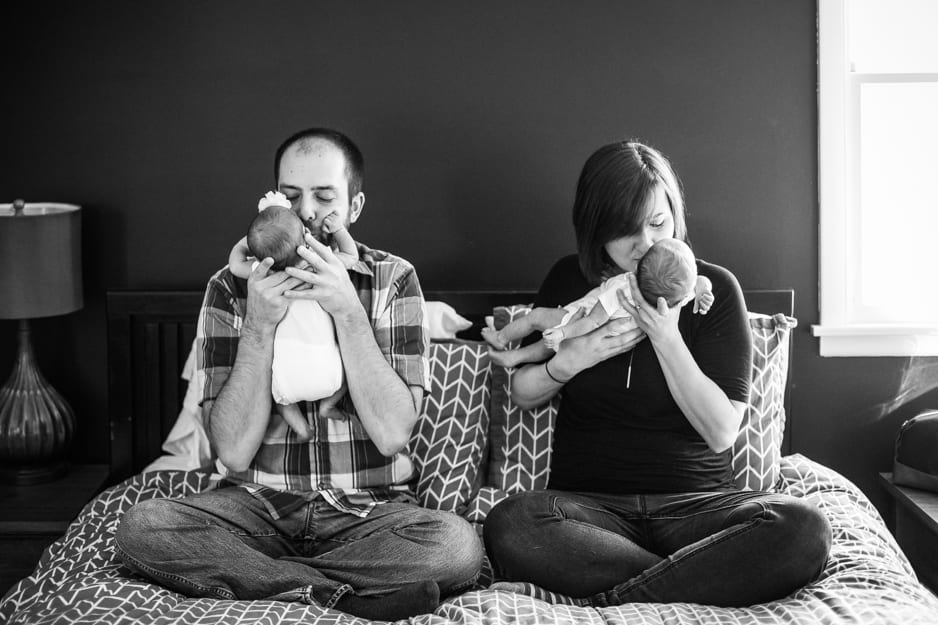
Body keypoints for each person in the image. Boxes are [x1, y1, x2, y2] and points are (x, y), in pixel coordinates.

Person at [115, 128, 483, 621]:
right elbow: (233, 450)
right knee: (143, 527)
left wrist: (348, 311)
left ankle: (264, 580)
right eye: (291, 197)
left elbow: (393, 434)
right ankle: (338, 592)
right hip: (253, 508)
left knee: (456, 546)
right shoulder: (231, 286)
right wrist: (261, 324)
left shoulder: (393, 278)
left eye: (324, 196)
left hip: (370, 512)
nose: (306, 212)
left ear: (354, 206)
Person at [483, 139, 831, 608]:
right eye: (625, 230)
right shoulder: (571, 280)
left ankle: (619, 595)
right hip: (591, 513)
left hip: (697, 509)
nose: (644, 243)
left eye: (657, 222)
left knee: (803, 528)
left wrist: (666, 336)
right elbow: (523, 393)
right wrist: (574, 357)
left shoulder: (712, 289)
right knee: (512, 523)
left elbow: (723, 431)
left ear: (675, 214)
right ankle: (694, 577)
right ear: (595, 229)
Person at [228, 191, 357, 437]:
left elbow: (235, 264)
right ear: (305, 240)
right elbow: (351, 256)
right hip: (329, 372)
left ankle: (301, 429)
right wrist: (338, 229)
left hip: (285, 377)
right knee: (352, 369)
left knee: (281, 399)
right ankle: (328, 405)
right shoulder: (317, 266)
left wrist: (246, 243)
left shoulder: (262, 273)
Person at [481, 238, 714, 369]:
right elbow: (698, 281)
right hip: (599, 339)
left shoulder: (621, 291)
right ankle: (514, 358)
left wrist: (564, 332)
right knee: (545, 348)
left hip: (578, 323)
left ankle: (500, 338)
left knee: (536, 317)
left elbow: (591, 321)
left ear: (640, 265)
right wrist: (704, 290)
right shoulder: (670, 299)